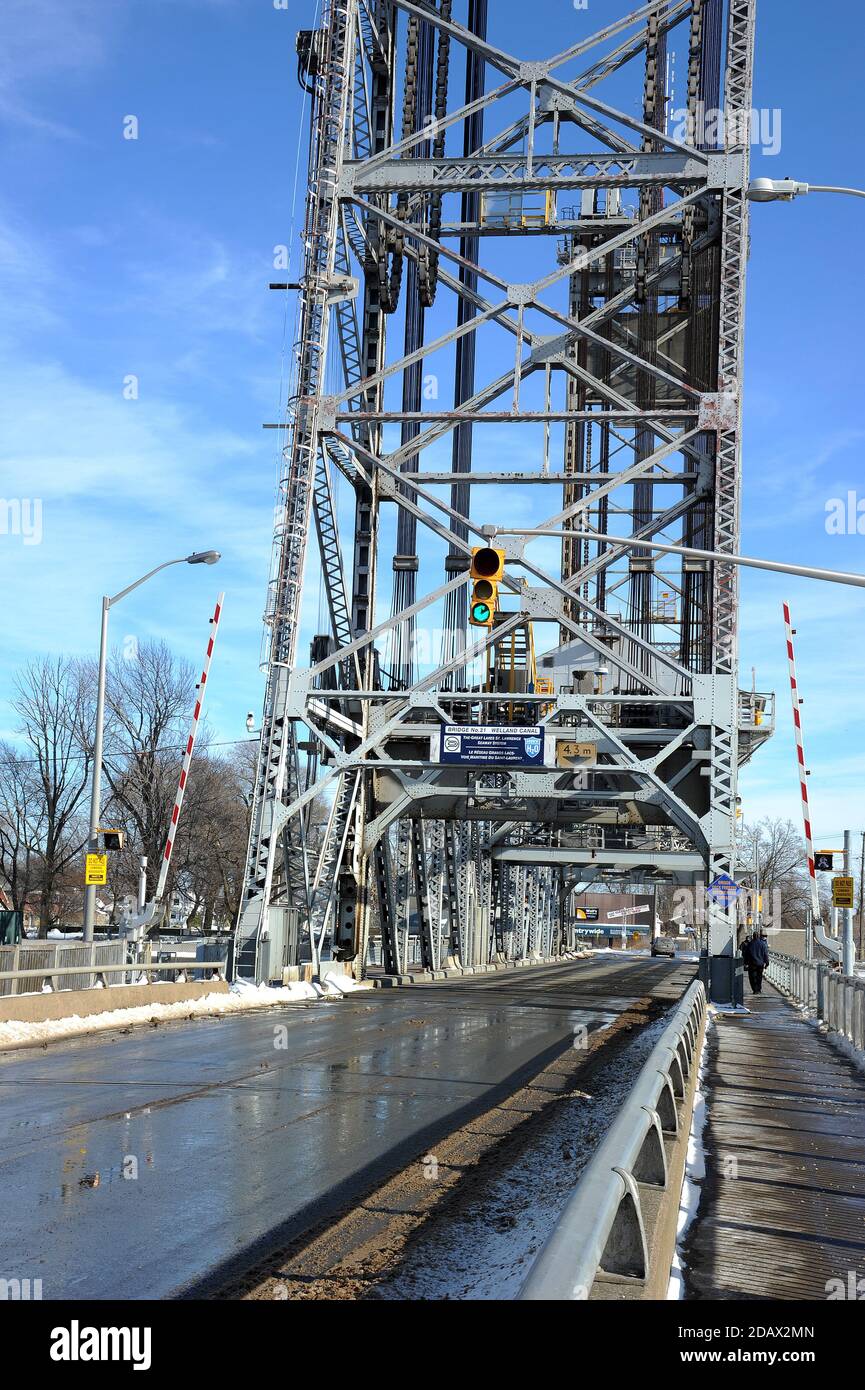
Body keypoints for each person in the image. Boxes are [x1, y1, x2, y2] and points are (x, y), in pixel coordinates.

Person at [742, 930, 769, 994]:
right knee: (759, 977)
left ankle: (755, 989)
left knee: (752, 977)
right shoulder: (762, 944)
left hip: (752, 964)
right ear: (758, 936)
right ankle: (759, 990)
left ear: (753, 937)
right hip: (760, 964)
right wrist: (767, 963)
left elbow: (746, 954)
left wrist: (745, 963)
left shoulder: (750, 944)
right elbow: (765, 954)